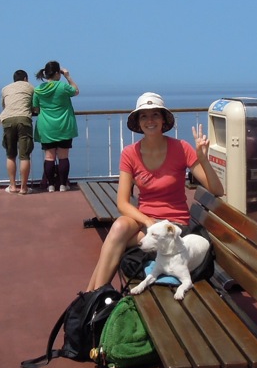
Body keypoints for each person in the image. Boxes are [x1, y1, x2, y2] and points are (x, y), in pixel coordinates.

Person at [86, 92, 224, 292]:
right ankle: (94, 296)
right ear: (138, 122)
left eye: (155, 115)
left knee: (113, 244)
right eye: (144, 116)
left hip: (172, 226)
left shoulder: (182, 148)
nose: (150, 120)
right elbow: (122, 203)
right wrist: (148, 221)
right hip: (145, 222)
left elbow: (217, 190)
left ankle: (93, 296)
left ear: (163, 120)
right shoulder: (129, 153)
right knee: (118, 228)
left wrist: (203, 159)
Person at [32, 61, 79, 192]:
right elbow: (76, 91)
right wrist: (68, 76)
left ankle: (51, 185)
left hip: (46, 127)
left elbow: (35, 108)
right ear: (58, 73)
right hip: (64, 125)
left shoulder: (38, 89)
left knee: (49, 157)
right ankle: (63, 185)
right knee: (63, 157)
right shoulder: (63, 87)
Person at [0, 69, 34, 194]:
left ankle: (12, 186)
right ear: (25, 79)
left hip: (8, 120)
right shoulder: (30, 87)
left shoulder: (5, 89)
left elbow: (4, 106)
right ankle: (23, 188)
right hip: (24, 119)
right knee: (24, 155)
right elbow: (34, 105)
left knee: (10, 155)